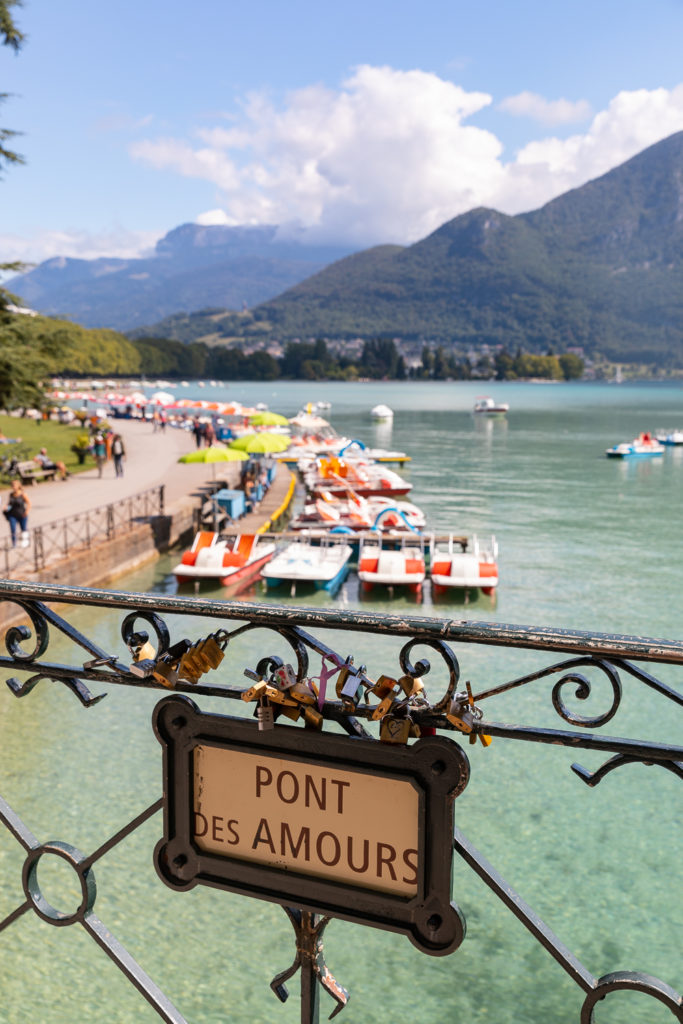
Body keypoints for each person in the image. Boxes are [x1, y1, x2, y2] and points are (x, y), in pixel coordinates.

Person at [4, 479, 31, 548]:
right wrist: (7, 508)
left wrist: (27, 512)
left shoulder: (23, 494)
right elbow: (10, 504)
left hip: (22, 514)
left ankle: (25, 542)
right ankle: (14, 544)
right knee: (13, 529)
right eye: (12, 485)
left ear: (18, 486)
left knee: (23, 529)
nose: (13, 487)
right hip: (12, 515)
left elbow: (29, 503)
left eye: (14, 485)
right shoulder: (11, 495)